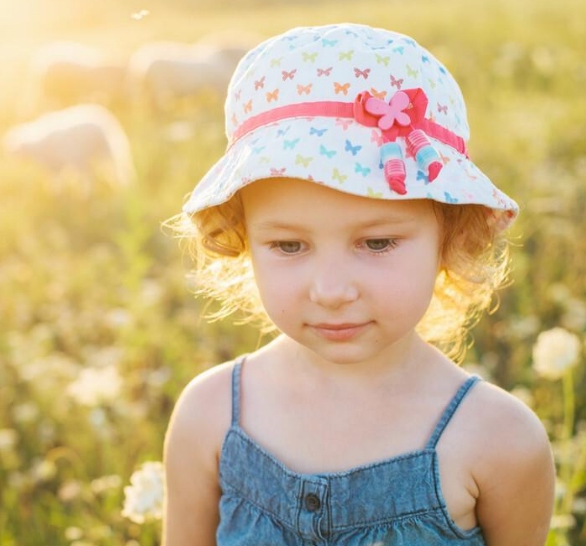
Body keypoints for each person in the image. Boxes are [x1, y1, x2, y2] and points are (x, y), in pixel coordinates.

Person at [161, 22, 555, 546]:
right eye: (288, 246)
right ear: (241, 238)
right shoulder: (209, 415)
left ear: (450, 237)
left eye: (376, 244)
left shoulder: (499, 439)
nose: (331, 290)